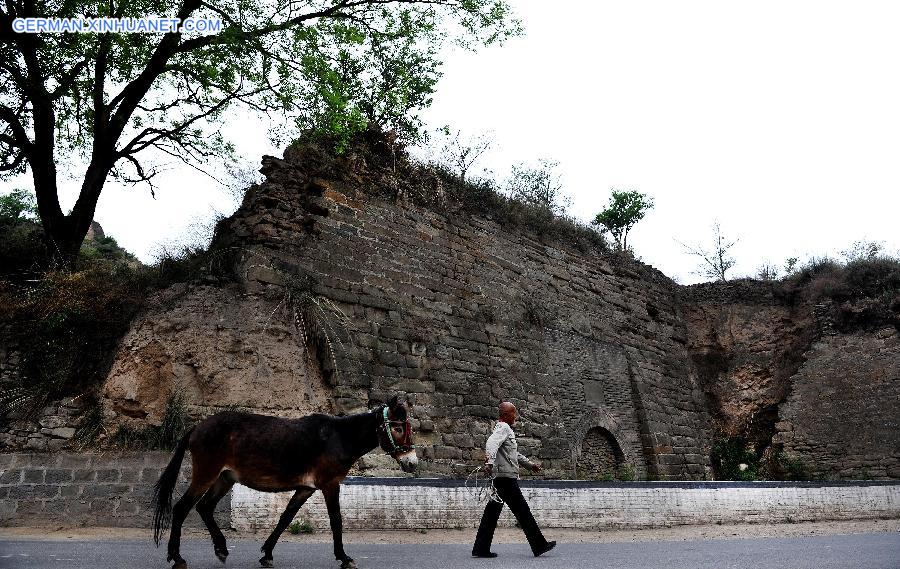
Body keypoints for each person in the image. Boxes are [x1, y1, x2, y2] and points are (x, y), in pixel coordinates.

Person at [471, 401, 556, 558]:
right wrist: (489, 462)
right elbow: (491, 443)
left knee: (491, 515)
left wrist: (530, 465)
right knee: (523, 512)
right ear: (505, 415)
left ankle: (480, 548)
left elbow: (513, 454)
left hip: (501, 478)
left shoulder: (503, 429)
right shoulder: (504, 428)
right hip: (506, 479)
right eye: (513, 413)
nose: (515, 416)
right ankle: (539, 545)